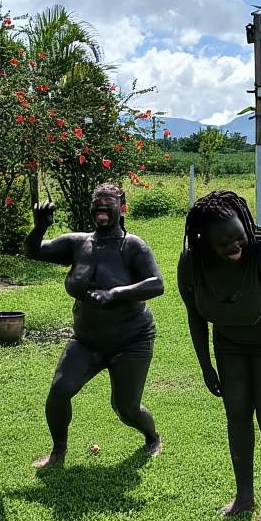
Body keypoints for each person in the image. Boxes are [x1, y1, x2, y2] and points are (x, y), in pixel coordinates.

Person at [177, 191, 261, 521]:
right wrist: (205, 366)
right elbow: (195, 316)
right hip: (229, 345)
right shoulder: (192, 263)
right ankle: (244, 496)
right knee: (236, 415)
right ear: (204, 240)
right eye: (224, 242)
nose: (236, 245)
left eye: (239, 235)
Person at [24, 184, 164, 467]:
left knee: (126, 408)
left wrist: (114, 294)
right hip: (87, 340)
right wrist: (39, 226)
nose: (101, 210)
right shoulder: (78, 244)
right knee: (60, 391)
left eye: (108, 204)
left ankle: (152, 436)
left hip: (131, 339)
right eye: (96, 205)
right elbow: (33, 252)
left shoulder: (133, 246)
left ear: (121, 208)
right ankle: (58, 452)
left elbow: (156, 284)